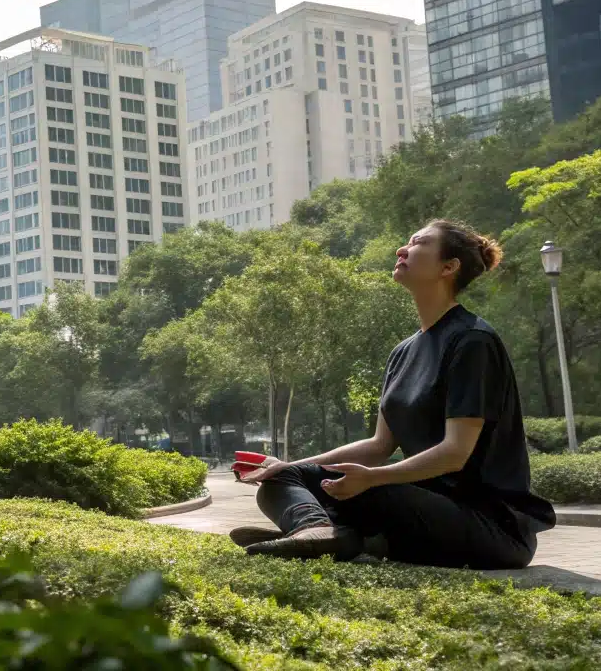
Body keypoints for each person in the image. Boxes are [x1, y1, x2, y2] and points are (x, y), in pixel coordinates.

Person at [229, 219, 555, 568]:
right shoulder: (403, 352)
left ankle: (340, 534)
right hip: (419, 505)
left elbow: (454, 454)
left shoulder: (472, 341)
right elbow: (378, 446)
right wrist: (287, 467)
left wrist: (373, 477)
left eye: (418, 243)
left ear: (448, 266)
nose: (402, 249)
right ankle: (318, 531)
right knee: (284, 480)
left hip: (488, 526)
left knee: (370, 493)